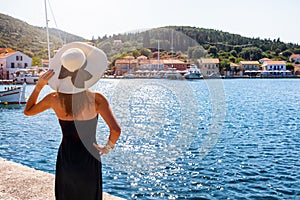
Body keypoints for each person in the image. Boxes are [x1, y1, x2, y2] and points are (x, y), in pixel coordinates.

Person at [24, 42, 121, 200]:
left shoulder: (54, 99)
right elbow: (116, 130)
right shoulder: (97, 100)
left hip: (67, 156)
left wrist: (39, 86)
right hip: (90, 156)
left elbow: (28, 111)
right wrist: (107, 148)